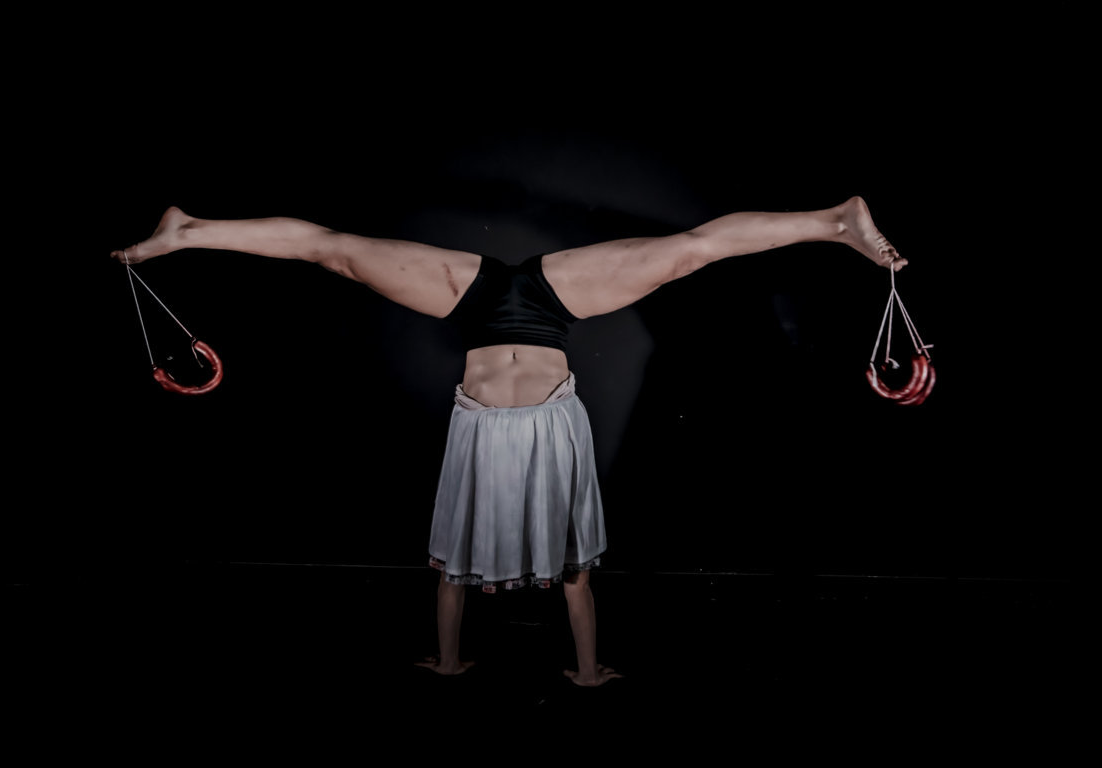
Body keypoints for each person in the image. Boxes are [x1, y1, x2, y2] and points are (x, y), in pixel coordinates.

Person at [111, 195, 904, 687]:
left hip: (486, 299)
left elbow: (462, 562)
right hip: (537, 299)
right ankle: (188, 231)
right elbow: (535, 571)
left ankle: (835, 221)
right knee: (332, 251)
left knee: (692, 251)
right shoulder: (531, 448)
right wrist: (573, 673)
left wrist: (485, 666)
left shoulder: (490, 450)